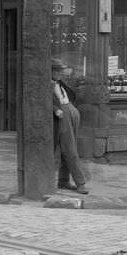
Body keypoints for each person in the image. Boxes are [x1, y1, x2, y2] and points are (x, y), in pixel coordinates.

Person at [52, 59, 88, 194]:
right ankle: (81, 182)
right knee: (70, 149)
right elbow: (43, 101)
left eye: (60, 70)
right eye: (57, 71)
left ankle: (63, 180)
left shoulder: (60, 82)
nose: (60, 73)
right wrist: (55, 109)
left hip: (70, 111)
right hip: (62, 116)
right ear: (51, 71)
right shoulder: (45, 84)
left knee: (69, 149)